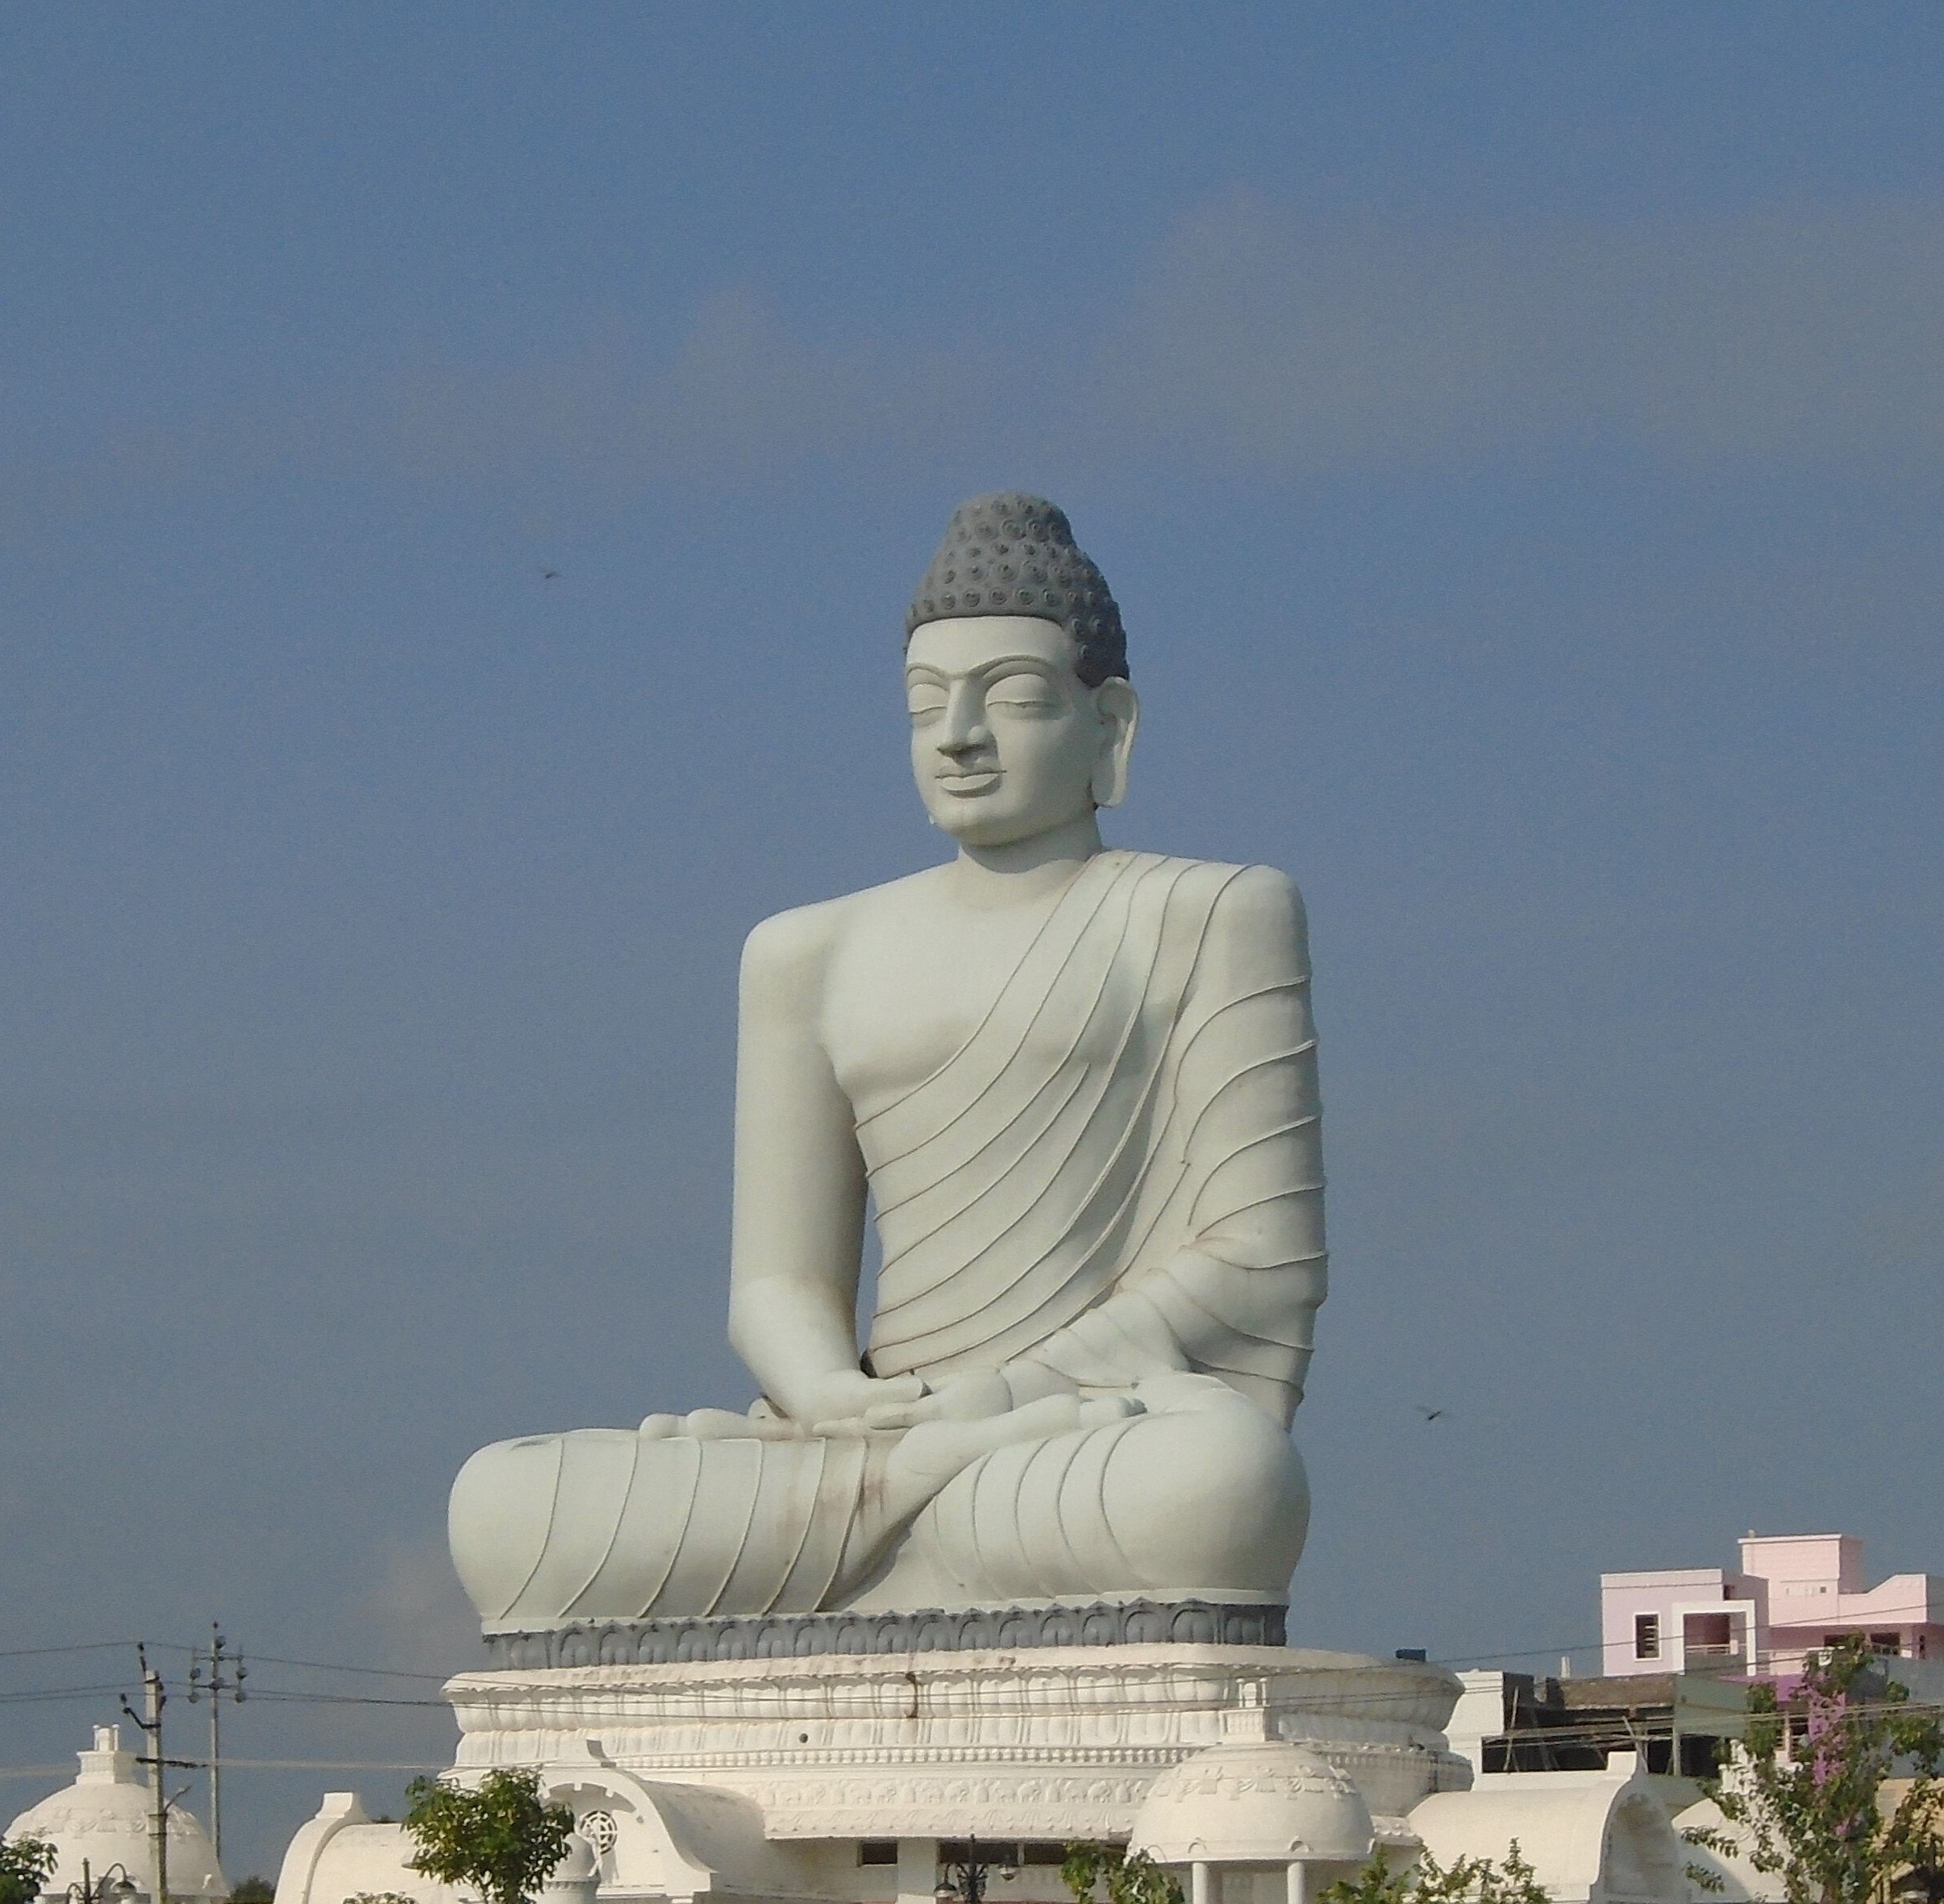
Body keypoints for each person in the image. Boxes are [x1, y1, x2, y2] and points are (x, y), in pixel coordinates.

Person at [450, 495, 1326, 1636]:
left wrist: (1009, 1396)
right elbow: (778, 1286)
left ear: (1110, 725)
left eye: (1007, 698)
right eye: (926, 706)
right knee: (505, 1502)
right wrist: (831, 1400)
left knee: (1218, 1487)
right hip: (859, 1443)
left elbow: (1259, 1260)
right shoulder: (807, 950)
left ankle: (920, 1510)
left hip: (1078, 1438)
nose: (959, 736)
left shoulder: (1210, 912)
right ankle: (911, 1507)